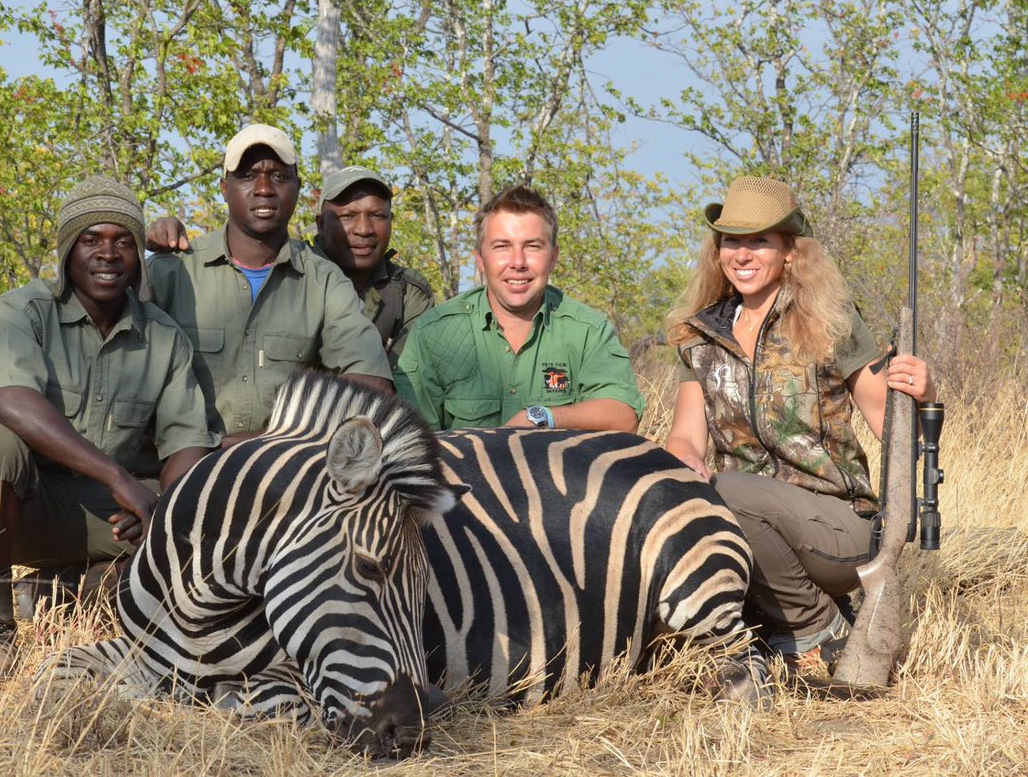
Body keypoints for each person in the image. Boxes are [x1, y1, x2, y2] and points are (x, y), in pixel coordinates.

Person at [0, 176, 219, 678]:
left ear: (138, 258)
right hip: (4, 504)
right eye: (91, 240)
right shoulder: (23, 309)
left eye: (124, 241)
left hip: (95, 515)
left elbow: (186, 442)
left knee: (196, 524)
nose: (108, 254)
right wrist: (119, 480)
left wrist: (159, 511)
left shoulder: (165, 337)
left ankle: (57, 592)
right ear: (67, 251)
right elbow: (10, 400)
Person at [662, 176, 937, 669]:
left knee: (729, 491)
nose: (742, 255)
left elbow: (895, 430)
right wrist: (682, 465)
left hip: (839, 526)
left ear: (790, 251)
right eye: (732, 241)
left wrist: (923, 394)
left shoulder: (831, 321)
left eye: (759, 241)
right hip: (744, 522)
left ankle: (818, 630)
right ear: (717, 250)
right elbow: (685, 435)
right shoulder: (698, 335)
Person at [145, 124, 392, 447]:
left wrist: (274, 440)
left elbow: (371, 386)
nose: (264, 188)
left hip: (283, 466)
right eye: (248, 176)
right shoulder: (172, 270)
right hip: (177, 467)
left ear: (298, 187)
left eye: (278, 176)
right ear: (223, 188)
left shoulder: (324, 281)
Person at [394, 185, 644, 432]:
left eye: (533, 246)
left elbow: (624, 416)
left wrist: (543, 416)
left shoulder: (588, 331)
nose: (518, 262)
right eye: (502, 246)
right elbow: (412, 440)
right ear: (480, 259)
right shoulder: (434, 333)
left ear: (553, 256)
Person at [312, 166, 436, 366]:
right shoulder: (291, 280)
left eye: (377, 216)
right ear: (321, 225)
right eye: (348, 216)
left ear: (391, 221)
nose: (364, 230)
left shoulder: (407, 293)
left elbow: (409, 382)